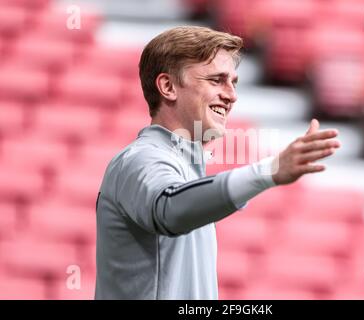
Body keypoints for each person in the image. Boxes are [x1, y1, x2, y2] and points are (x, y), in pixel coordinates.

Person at [95, 26, 341, 300]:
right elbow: (169, 208)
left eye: (233, 82)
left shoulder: (183, 168)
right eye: (216, 80)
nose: (231, 95)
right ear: (167, 87)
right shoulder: (141, 158)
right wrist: (267, 172)